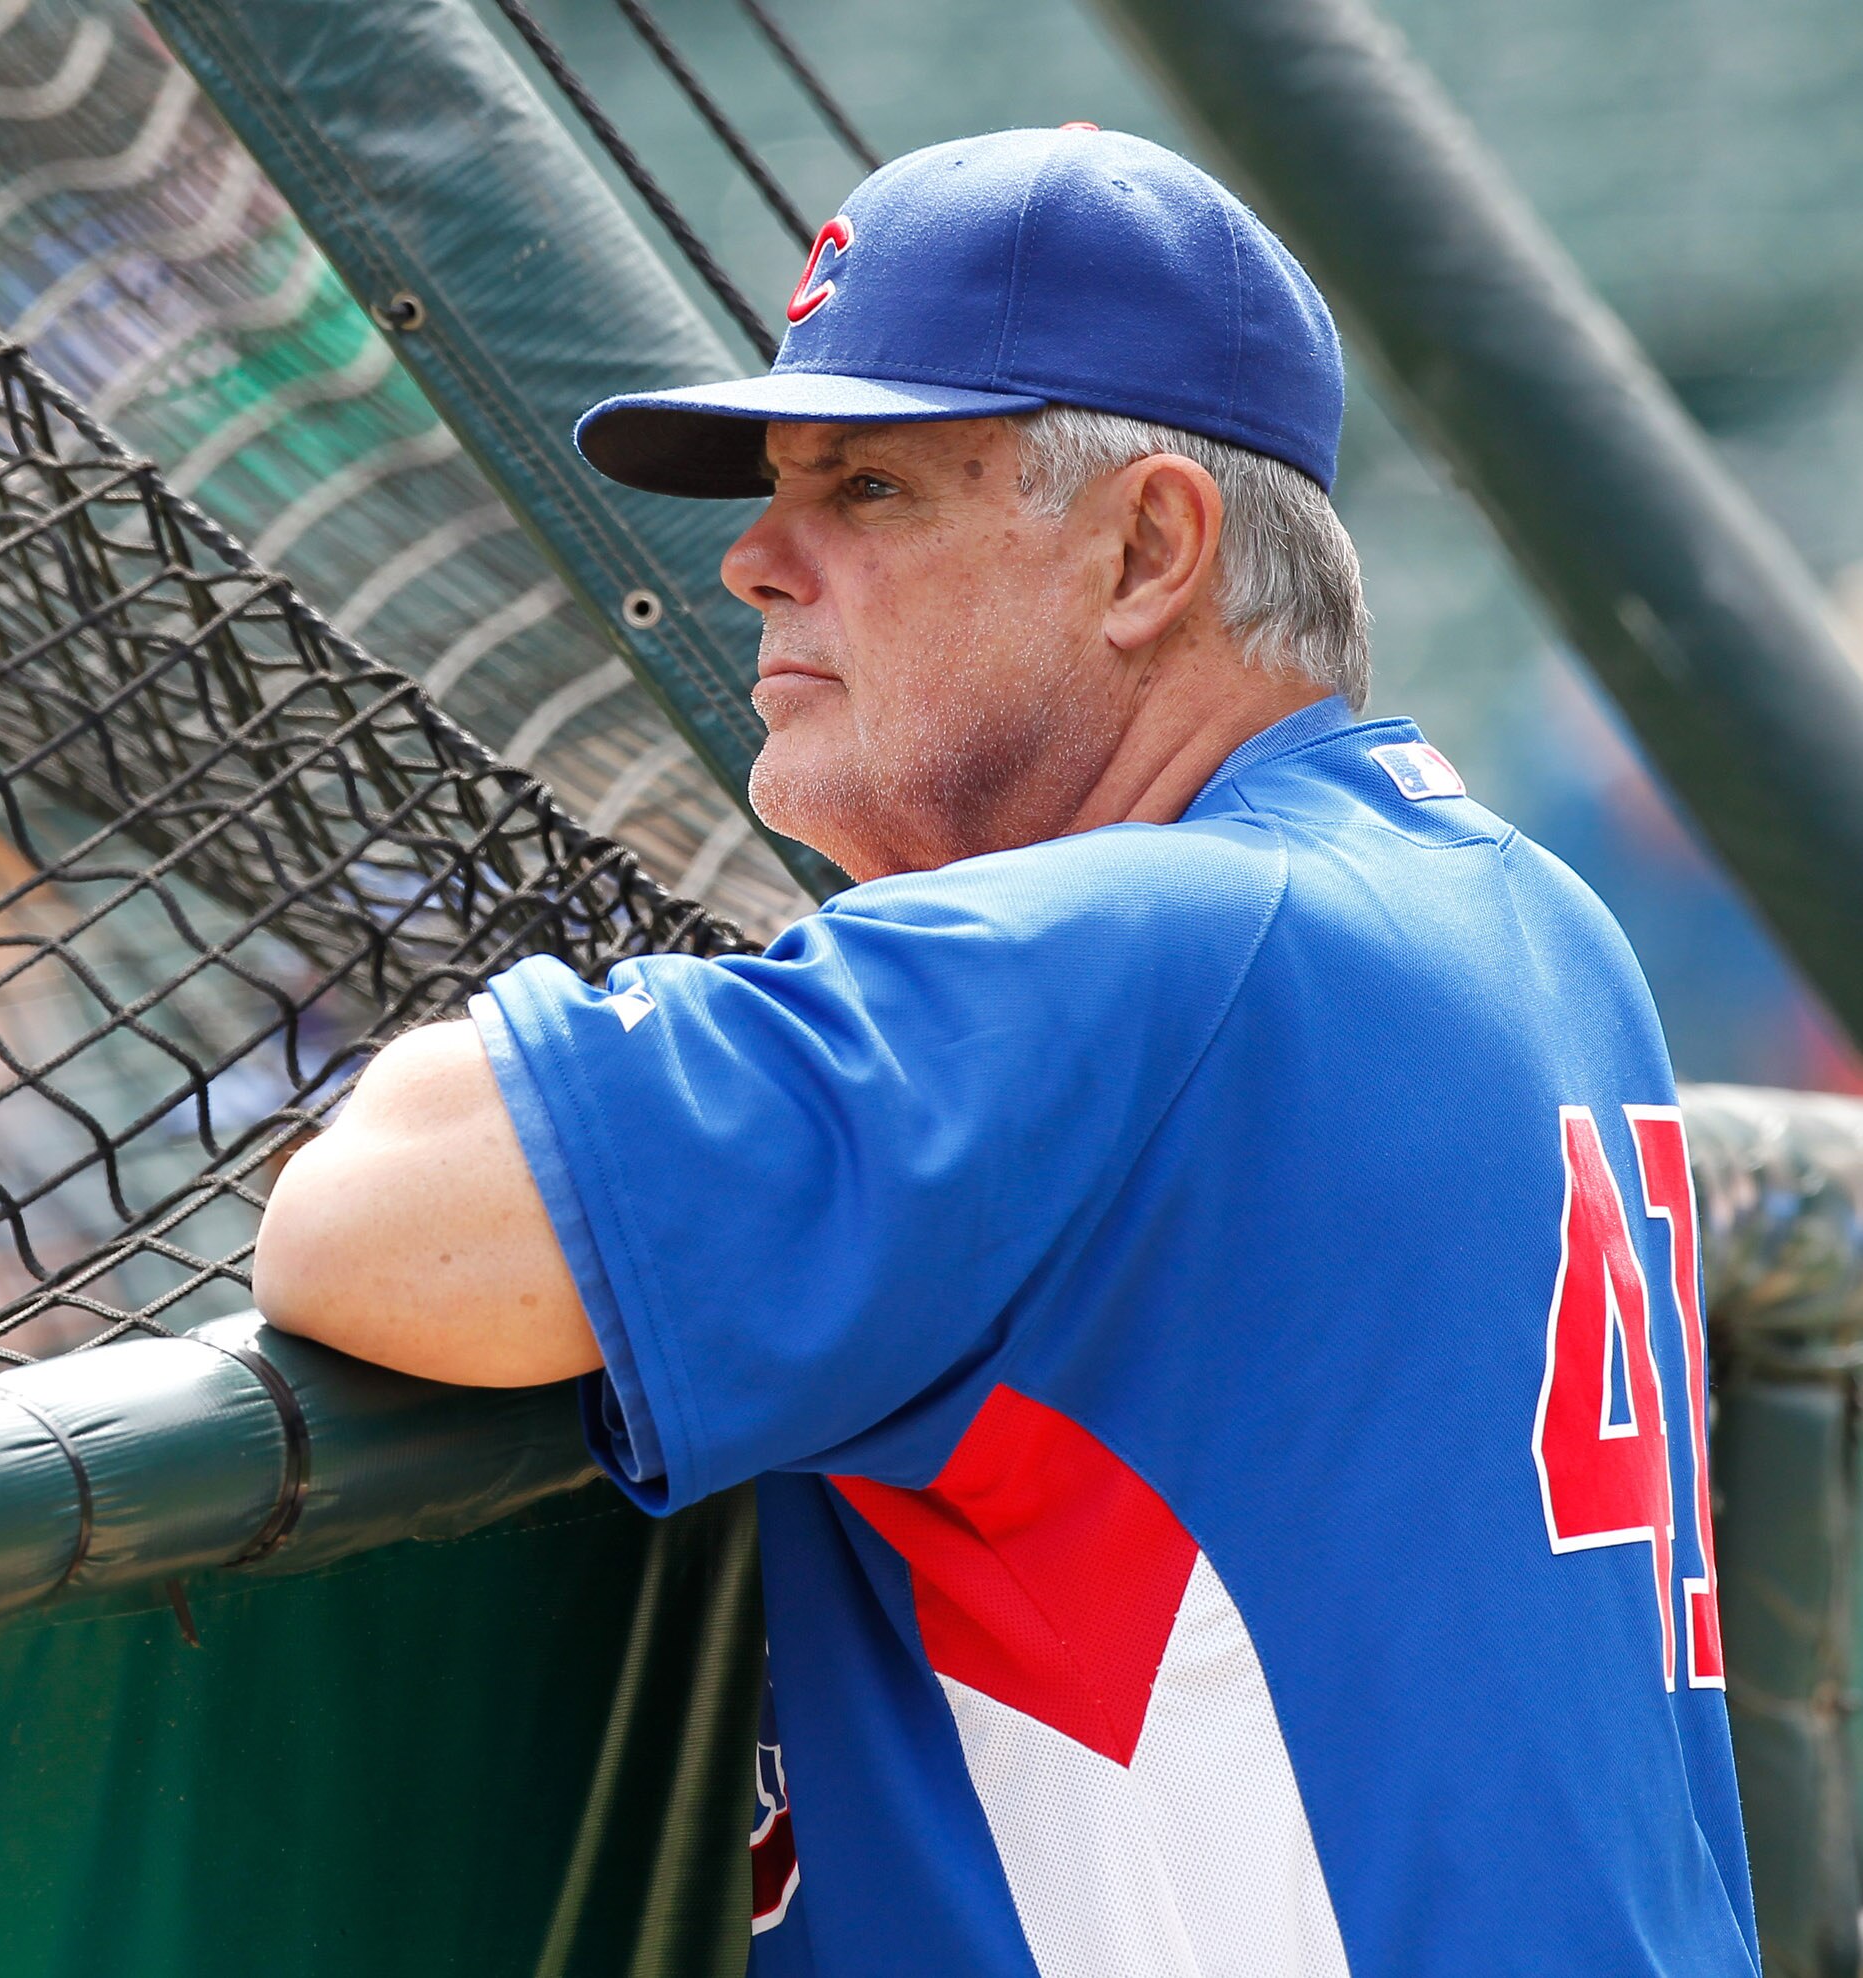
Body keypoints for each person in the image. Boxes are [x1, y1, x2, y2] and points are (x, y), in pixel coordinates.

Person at [252, 127, 1755, 1976]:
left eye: (869, 487)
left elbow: (377, 1226)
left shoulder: (1133, 955)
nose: (751, 562)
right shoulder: (1520, 910)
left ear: (1148, 548)